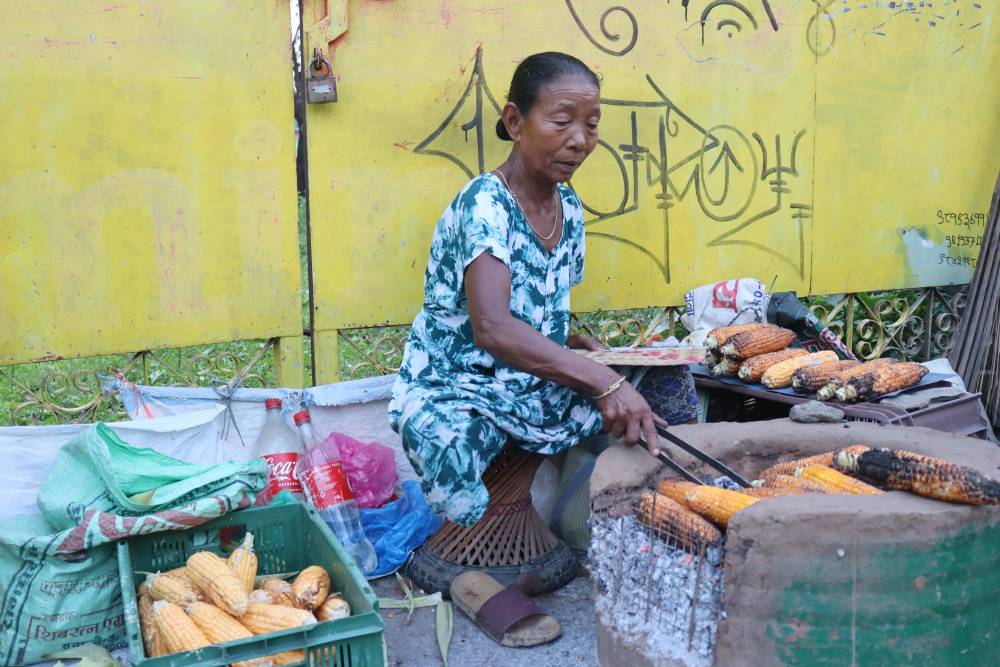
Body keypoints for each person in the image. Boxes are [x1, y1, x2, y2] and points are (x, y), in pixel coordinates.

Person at [388, 52, 665, 527]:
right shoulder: (485, 205)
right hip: (460, 384)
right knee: (447, 440)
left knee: (662, 389)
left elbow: (537, 308)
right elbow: (493, 328)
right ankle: (473, 540)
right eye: (561, 122)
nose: (580, 140)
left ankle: (620, 527)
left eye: (592, 125)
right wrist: (599, 380)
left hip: (528, 382)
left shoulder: (569, 207)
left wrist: (569, 345)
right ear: (515, 122)